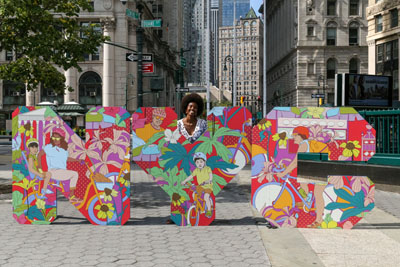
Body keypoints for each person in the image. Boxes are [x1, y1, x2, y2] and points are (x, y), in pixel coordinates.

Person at [276, 126, 328, 228]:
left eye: (295, 136)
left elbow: (295, 162)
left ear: (301, 136)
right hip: (318, 170)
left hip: (319, 171)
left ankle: (318, 220)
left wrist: (283, 173)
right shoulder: (306, 144)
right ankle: (308, 197)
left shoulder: (303, 145)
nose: (293, 138)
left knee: (318, 194)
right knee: (302, 180)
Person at [37, 128, 83, 204]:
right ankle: (72, 196)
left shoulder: (63, 150)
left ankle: (72, 196)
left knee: (74, 174)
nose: (55, 140)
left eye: (57, 138)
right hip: (53, 171)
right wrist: (39, 165)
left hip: (62, 171)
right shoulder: (49, 147)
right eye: (53, 138)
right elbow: (40, 155)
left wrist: (77, 160)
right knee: (75, 174)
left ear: (61, 138)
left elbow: (66, 159)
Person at [181, 152, 213, 217]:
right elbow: (191, 176)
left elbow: (210, 175)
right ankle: (196, 205)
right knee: (194, 194)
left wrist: (209, 180)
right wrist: (184, 181)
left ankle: (209, 210)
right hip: (200, 186)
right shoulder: (196, 170)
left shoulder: (208, 169)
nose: (199, 164)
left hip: (207, 186)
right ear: (195, 163)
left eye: (201, 162)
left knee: (206, 197)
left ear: (204, 162)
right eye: (197, 162)